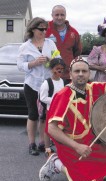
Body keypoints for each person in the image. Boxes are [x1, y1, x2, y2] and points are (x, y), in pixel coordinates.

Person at [38, 57, 106, 181]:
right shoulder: (63, 95)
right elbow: (52, 129)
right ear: (70, 74)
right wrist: (77, 147)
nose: (81, 74)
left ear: (89, 74)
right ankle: (56, 163)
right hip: (70, 146)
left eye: (84, 71)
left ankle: (91, 169)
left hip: (90, 140)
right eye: (77, 71)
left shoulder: (94, 87)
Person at [17, 17, 60, 156]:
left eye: (45, 29)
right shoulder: (25, 46)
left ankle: (42, 143)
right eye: (41, 29)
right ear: (32, 29)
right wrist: (33, 63)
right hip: (32, 84)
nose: (44, 31)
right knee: (33, 114)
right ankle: (31, 144)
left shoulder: (50, 44)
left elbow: (58, 61)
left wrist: (51, 61)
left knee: (45, 115)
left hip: (47, 84)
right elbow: (20, 66)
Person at [46, 5, 82, 82]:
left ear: (65, 15)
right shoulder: (45, 30)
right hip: (49, 74)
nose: (59, 17)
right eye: (57, 15)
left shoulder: (73, 32)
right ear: (52, 15)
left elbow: (77, 52)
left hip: (67, 75)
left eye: (62, 15)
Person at [39, 58, 66, 157]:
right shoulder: (47, 83)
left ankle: (60, 148)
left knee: (59, 128)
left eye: (61, 69)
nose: (59, 71)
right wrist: (56, 100)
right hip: (50, 109)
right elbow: (43, 97)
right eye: (57, 68)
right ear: (51, 69)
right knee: (48, 129)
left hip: (60, 110)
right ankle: (47, 149)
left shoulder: (62, 81)